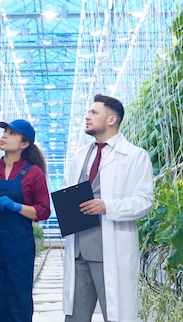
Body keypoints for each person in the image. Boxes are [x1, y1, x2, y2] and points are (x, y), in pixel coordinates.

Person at [62, 94, 154, 322]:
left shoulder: (135, 156)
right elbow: (68, 189)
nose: (87, 116)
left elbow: (144, 201)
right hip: (78, 251)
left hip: (110, 249)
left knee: (115, 315)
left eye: (94, 113)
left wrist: (107, 206)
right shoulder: (82, 155)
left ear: (111, 120)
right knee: (75, 317)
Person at [0, 119, 51, 322]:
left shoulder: (34, 173)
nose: (5, 136)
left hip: (19, 244)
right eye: (5, 131)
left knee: (19, 298)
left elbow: (42, 211)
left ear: (25, 144)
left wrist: (15, 206)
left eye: (12, 133)